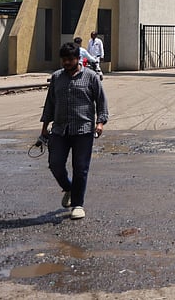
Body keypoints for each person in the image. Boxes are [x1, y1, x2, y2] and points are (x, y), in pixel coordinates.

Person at [40, 42, 109, 220]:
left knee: (80, 168)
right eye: (64, 60)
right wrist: (44, 128)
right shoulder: (56, 77)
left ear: (78, 59)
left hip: (83, 130)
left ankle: (78, 204)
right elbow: (50, 103)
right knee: (55, 164)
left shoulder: (91, 77)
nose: (67, 63)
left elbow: (101, 101)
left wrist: (100, 122)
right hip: (59, 130)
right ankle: (69, 188)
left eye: (70, 59)